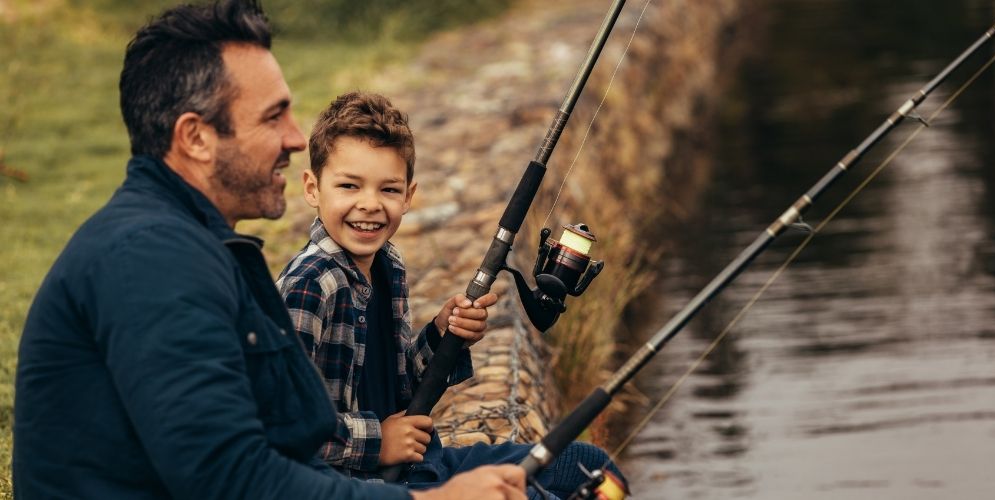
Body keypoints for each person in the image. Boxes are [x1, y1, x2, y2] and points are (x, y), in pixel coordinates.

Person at [12, 1, 525, 499]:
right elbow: (234, 478)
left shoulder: (196, 244)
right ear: (196, 137)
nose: (296, 137)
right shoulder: (152, 261)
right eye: (274, 116)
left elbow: (277, 434)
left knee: (579, 467)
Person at [277, 91, 624, 498]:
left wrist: (444, 335)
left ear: (409, 195)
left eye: (388, 190)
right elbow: (283, 422)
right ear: (313, 188)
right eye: (349, 186)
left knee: (586, 465)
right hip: (365, 485)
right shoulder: (310, 285)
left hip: (421, 465)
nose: (369, 204)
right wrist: (378, 440)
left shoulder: (388, 264)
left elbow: (403, 388)